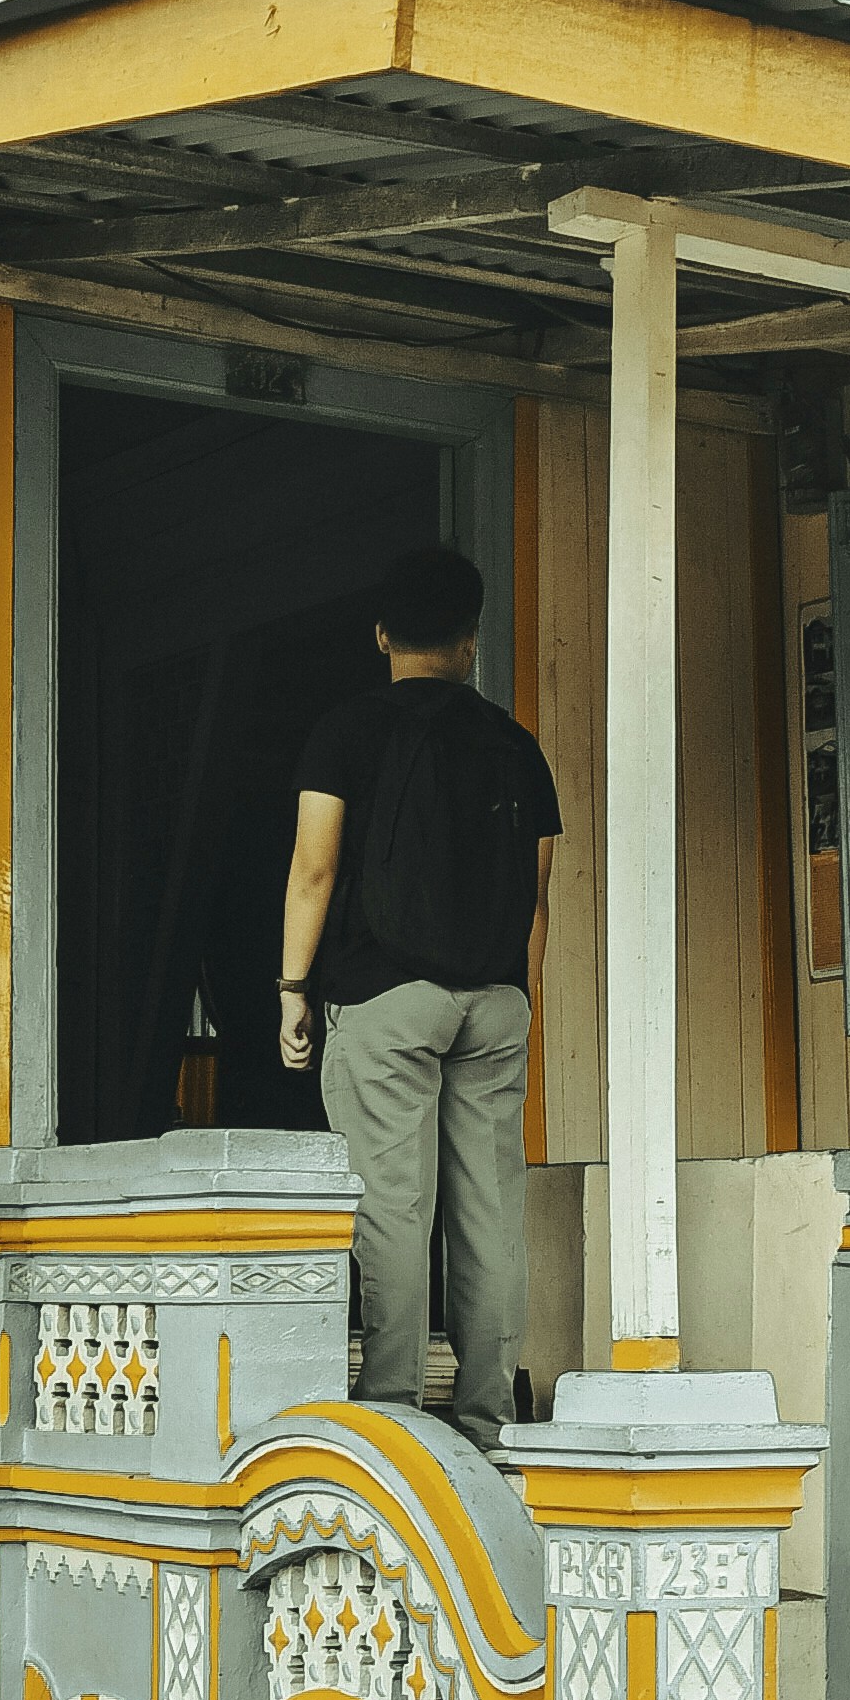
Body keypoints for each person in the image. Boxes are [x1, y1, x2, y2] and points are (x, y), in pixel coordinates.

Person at [277, 543, 559, 1457]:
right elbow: (536, 899)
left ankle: (395, 1413)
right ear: (471, 641)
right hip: (497, 1001)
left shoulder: (347, 730)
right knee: (488, 1213)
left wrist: (292, 989)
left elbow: (315, 870)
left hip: (388, 997)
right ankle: (486, 1422)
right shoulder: (520, 749)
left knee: (395, 1209)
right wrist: (523, 1006)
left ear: (381, 634)